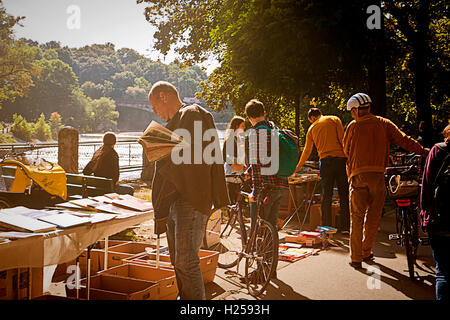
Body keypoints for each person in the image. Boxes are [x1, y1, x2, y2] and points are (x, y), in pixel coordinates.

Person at [148, 81, 229, 300]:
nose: (156, 113)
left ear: (164, 96)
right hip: (174, 199)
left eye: (155, 107)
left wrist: (160, 147)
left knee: (186, 260)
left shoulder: (192, 114)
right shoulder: (176, 121)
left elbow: (194, 156)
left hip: (191, 198)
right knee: (177, 261)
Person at [342, 93, 429, 269]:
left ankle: (356, 257)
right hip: (378, 177)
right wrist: (423, 151)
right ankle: (366, 252)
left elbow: (346, 150)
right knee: (373, 217)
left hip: (358, 176)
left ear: (357, 111)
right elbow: (404, 140)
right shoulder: (384, 123)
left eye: (352, 111)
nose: (352, 115)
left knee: (357, 217)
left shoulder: (352, 127)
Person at [244, 99, 289, 279]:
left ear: (249, 117)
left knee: (260, 228)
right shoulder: (273, 129)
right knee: (271, 228)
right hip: (279, 185)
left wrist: (255, 191)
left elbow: (256, 163)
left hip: (265, 188)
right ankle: (271, 269)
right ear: (263, 112)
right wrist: (249, 170)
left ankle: (260, 271)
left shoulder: (256, 133)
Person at [295, 108, 350, 233]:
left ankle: (326, 227)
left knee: (327, 196)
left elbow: (307, 151)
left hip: (325, 163)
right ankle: (345, 227)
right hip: (340, 160)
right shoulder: (334, 119)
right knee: (343, 194)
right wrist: (349, 158)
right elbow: (343, 140)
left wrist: (298, 167)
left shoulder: (312, 128)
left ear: (312, 118)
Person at [420, 123, 450, 300]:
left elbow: (427, 186)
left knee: (444, 273)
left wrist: (425, 216)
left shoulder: (438, 151)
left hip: (440, 221)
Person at [223, 116, 246, 203]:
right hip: (231, 176)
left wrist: (244, 167)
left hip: (239, 176)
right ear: (236, 126)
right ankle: (229, 216)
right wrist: (236, 166)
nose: (244, 128)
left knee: (238, 202)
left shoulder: (238, 139)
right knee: (232, 201)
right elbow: (226, 156)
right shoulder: (230, 139)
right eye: (242, 125)